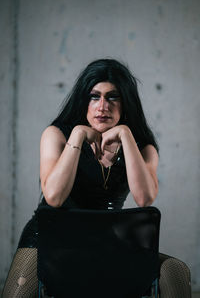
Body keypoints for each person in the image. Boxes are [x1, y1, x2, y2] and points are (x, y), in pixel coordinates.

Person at [2, 58, 159, 297]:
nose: (102, 106)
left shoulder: (143, 147)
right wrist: (76, 136)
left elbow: (145, 199)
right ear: (83, 100)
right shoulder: (56, 135)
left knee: (174, 270)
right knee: (16, 294)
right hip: (49, 239)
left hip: (104, 241)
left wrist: (126, 136)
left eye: (112, 97)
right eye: (94, 96)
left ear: (126, 102)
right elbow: (53, 197)